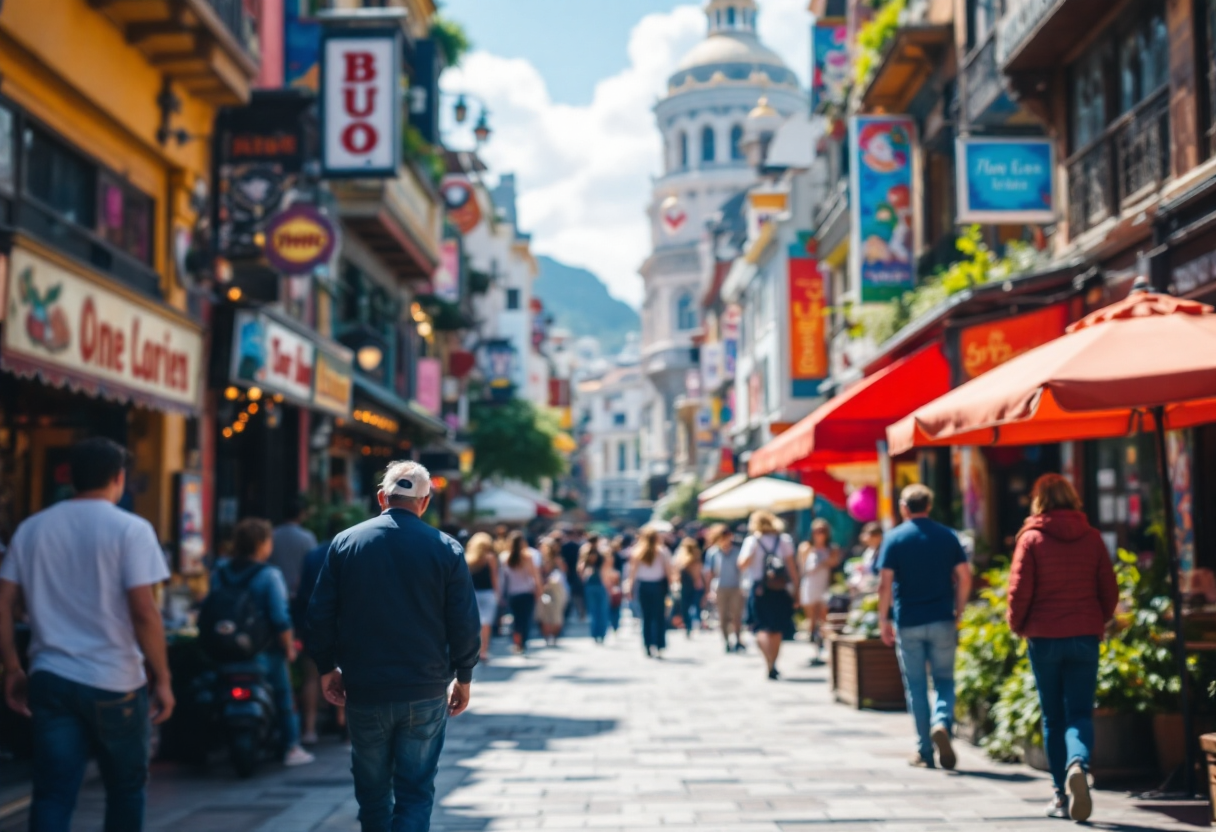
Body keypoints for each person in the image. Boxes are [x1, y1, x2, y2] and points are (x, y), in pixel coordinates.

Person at [0, 438, 174, 832]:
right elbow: (144, 611)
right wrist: (162, 679)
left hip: (51, 676)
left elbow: (3, 601)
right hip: (116, 680)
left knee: (53, 793)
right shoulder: (131, 529)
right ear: (119, 478)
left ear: (70, 478)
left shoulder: (32, 528)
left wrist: (11, 666)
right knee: (126, 789)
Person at [306, 461, 480, 832]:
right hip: (425, 687)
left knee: (372, 794)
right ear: (425, 501)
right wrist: (464, 676)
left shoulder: (346, 542)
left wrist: (326, 668)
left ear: (383, 497)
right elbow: (464, 621)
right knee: (415, 792)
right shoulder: (446, 549)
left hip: (366, 687)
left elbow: (319, 613)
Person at [1007, 475, 1118, 822]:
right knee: (1080, 713)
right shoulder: (1093, 538)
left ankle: (1060, 794)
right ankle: (1078, 764)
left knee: (1053, 717)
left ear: (1038, 501)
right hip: (1084, 634)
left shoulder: (1031, 539)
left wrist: (1017, 625)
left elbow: (1019, 590)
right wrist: (1097, 619)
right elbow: (1109, 590)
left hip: (1043, 635)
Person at [877, 484, 971, 770]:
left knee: (916, 685)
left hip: (909, 621)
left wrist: (884, 619)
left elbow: (884, 584)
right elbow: (965, 577)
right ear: (928, 506)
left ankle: (925, 751)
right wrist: (959, 610)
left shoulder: (894, 538)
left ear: (905, 507)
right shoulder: (948, 536)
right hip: (942, 617)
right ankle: (941, 722)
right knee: (944, 680)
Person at [213, 518, 314, 766]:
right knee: (283, 696)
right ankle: (291, 746)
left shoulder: (220, 572)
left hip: (225, 650)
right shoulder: (269, 575)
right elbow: (280, 618)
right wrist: (289, 647)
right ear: (262, 545)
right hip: (263, 651)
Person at [295, 537, 344, 746]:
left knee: (311, 676)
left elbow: (302, 593)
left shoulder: (312, 556)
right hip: (343, 623)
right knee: (346, 671)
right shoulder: (351, 552)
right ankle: (343, 724)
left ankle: (309, 728)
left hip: (312, 622)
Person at [738, 511, 798, 680]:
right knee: (777, 628)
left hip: (759, 589)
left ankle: (769, 663)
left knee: (761, 627)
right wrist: (797, 588)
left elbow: (742, 565)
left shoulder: (752, 541)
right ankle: (774, 663)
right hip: (780, 588)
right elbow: (792, 567)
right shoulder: (783, 540)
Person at [799, 519, 841, 665]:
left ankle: (825, 650)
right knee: (811, 621)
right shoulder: (806, 547)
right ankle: (814, 651)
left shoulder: (831, 548)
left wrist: (822, 562)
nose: (819, 534)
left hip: (824, 586)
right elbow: (802, 569)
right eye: (816, 531)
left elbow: (833, 562)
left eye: (822, 531)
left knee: (824, 619)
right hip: (809, 586)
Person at [629, 527, 673, 658]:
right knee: (659, 617)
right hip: (658, 586)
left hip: (643, 586)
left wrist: (630, 588)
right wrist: (671, 587)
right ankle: (659, 645)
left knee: (646, 618)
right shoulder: (662, 551)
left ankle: (648, 645)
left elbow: (633, 573)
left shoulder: (637, 552)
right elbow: (668, 571)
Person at [705, 524, 745, 653]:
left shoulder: (737, 552)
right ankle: (726, 640)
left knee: (736, 615)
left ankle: (738, 639)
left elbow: (741, 570)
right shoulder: (712, 553)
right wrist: (708, 590)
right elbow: (709, 573)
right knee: (723, 616)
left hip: (735, 587)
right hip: (720, 588)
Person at [502, 531, 543, 655]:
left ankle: (516, 642)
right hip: (527, 593)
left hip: (512, 593)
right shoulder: (528, 557)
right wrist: (539, 592)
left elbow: (503, 578)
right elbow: (535, 577)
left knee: (515, 619)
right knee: (525, 619)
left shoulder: (504, 557)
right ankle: (523, 643)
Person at [270, 496, 318, 600]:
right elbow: (313, 565)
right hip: (299, 592)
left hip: (274, 590)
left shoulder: (272, 535)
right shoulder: (307, 537)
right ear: (301, 514)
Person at [465, 533, 500, 662]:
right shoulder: (490, 557)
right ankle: (484, 650)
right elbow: (494, 576)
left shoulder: (468, 558)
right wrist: (498, 593)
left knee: (474, 623)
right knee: (486, 623)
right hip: (488, 593)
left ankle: (474, 650)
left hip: (472, 593)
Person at [579, 537, 611, 644]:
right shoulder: (602, 554)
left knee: (592, 612)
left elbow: (580, 570)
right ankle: (601, 634)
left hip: (590, 585)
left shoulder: (585, 554)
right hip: (600, 584)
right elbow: (606, 571)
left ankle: (594, 634)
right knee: (602, 611)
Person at [536, 546, 568, 647]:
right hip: (545, 589)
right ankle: (548, 636)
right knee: (546, 615)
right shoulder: (540, 561)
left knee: (556, 615)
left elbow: (564, 571)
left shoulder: (557, 561)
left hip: (557, 590)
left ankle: (553, 636)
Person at [674, 537, 705, 637]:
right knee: (689, 607)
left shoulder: (694, 557)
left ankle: (693, 625)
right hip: (687, 585)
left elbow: (697, 572)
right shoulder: (681, 557)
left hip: (691, 585)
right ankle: (690, 625)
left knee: (691, 607)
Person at [560, 527, 586, 620]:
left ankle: (568, 613)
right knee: (578, 594)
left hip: (566, 572)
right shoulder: (578, 546)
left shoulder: (563, 546)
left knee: (568, 593)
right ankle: (580, 612)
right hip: (576, 572)